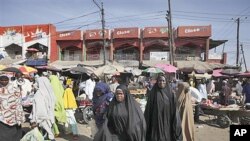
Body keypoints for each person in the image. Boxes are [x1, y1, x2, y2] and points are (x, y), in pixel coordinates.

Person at [144, 74, 182, 141]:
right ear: (157, 82)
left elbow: (174, 111)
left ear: (166, 82)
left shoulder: (171, 94)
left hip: (167, 123)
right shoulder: (153, 94)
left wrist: (176, 126)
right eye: (159, 81)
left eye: (163, 81)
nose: (161, 82)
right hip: (155, 124)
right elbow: (148, 110)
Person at [29, 77, 56, 141]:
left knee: (44, 134)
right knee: (49, 133)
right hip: (49, 117)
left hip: (42, 119)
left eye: (37, 82)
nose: (35, 84)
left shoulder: (39, 94)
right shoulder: (49, 93)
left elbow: (40, 109)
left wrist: (35, 120)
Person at [0, 75, 24, 141]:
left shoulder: (14, 89)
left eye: (5, 80)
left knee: (15, 131)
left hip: (14, 113)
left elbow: (18, 101)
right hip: (2, 115)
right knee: (3, 132)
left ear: (8, 80)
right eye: (2, 80)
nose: (4, 82)